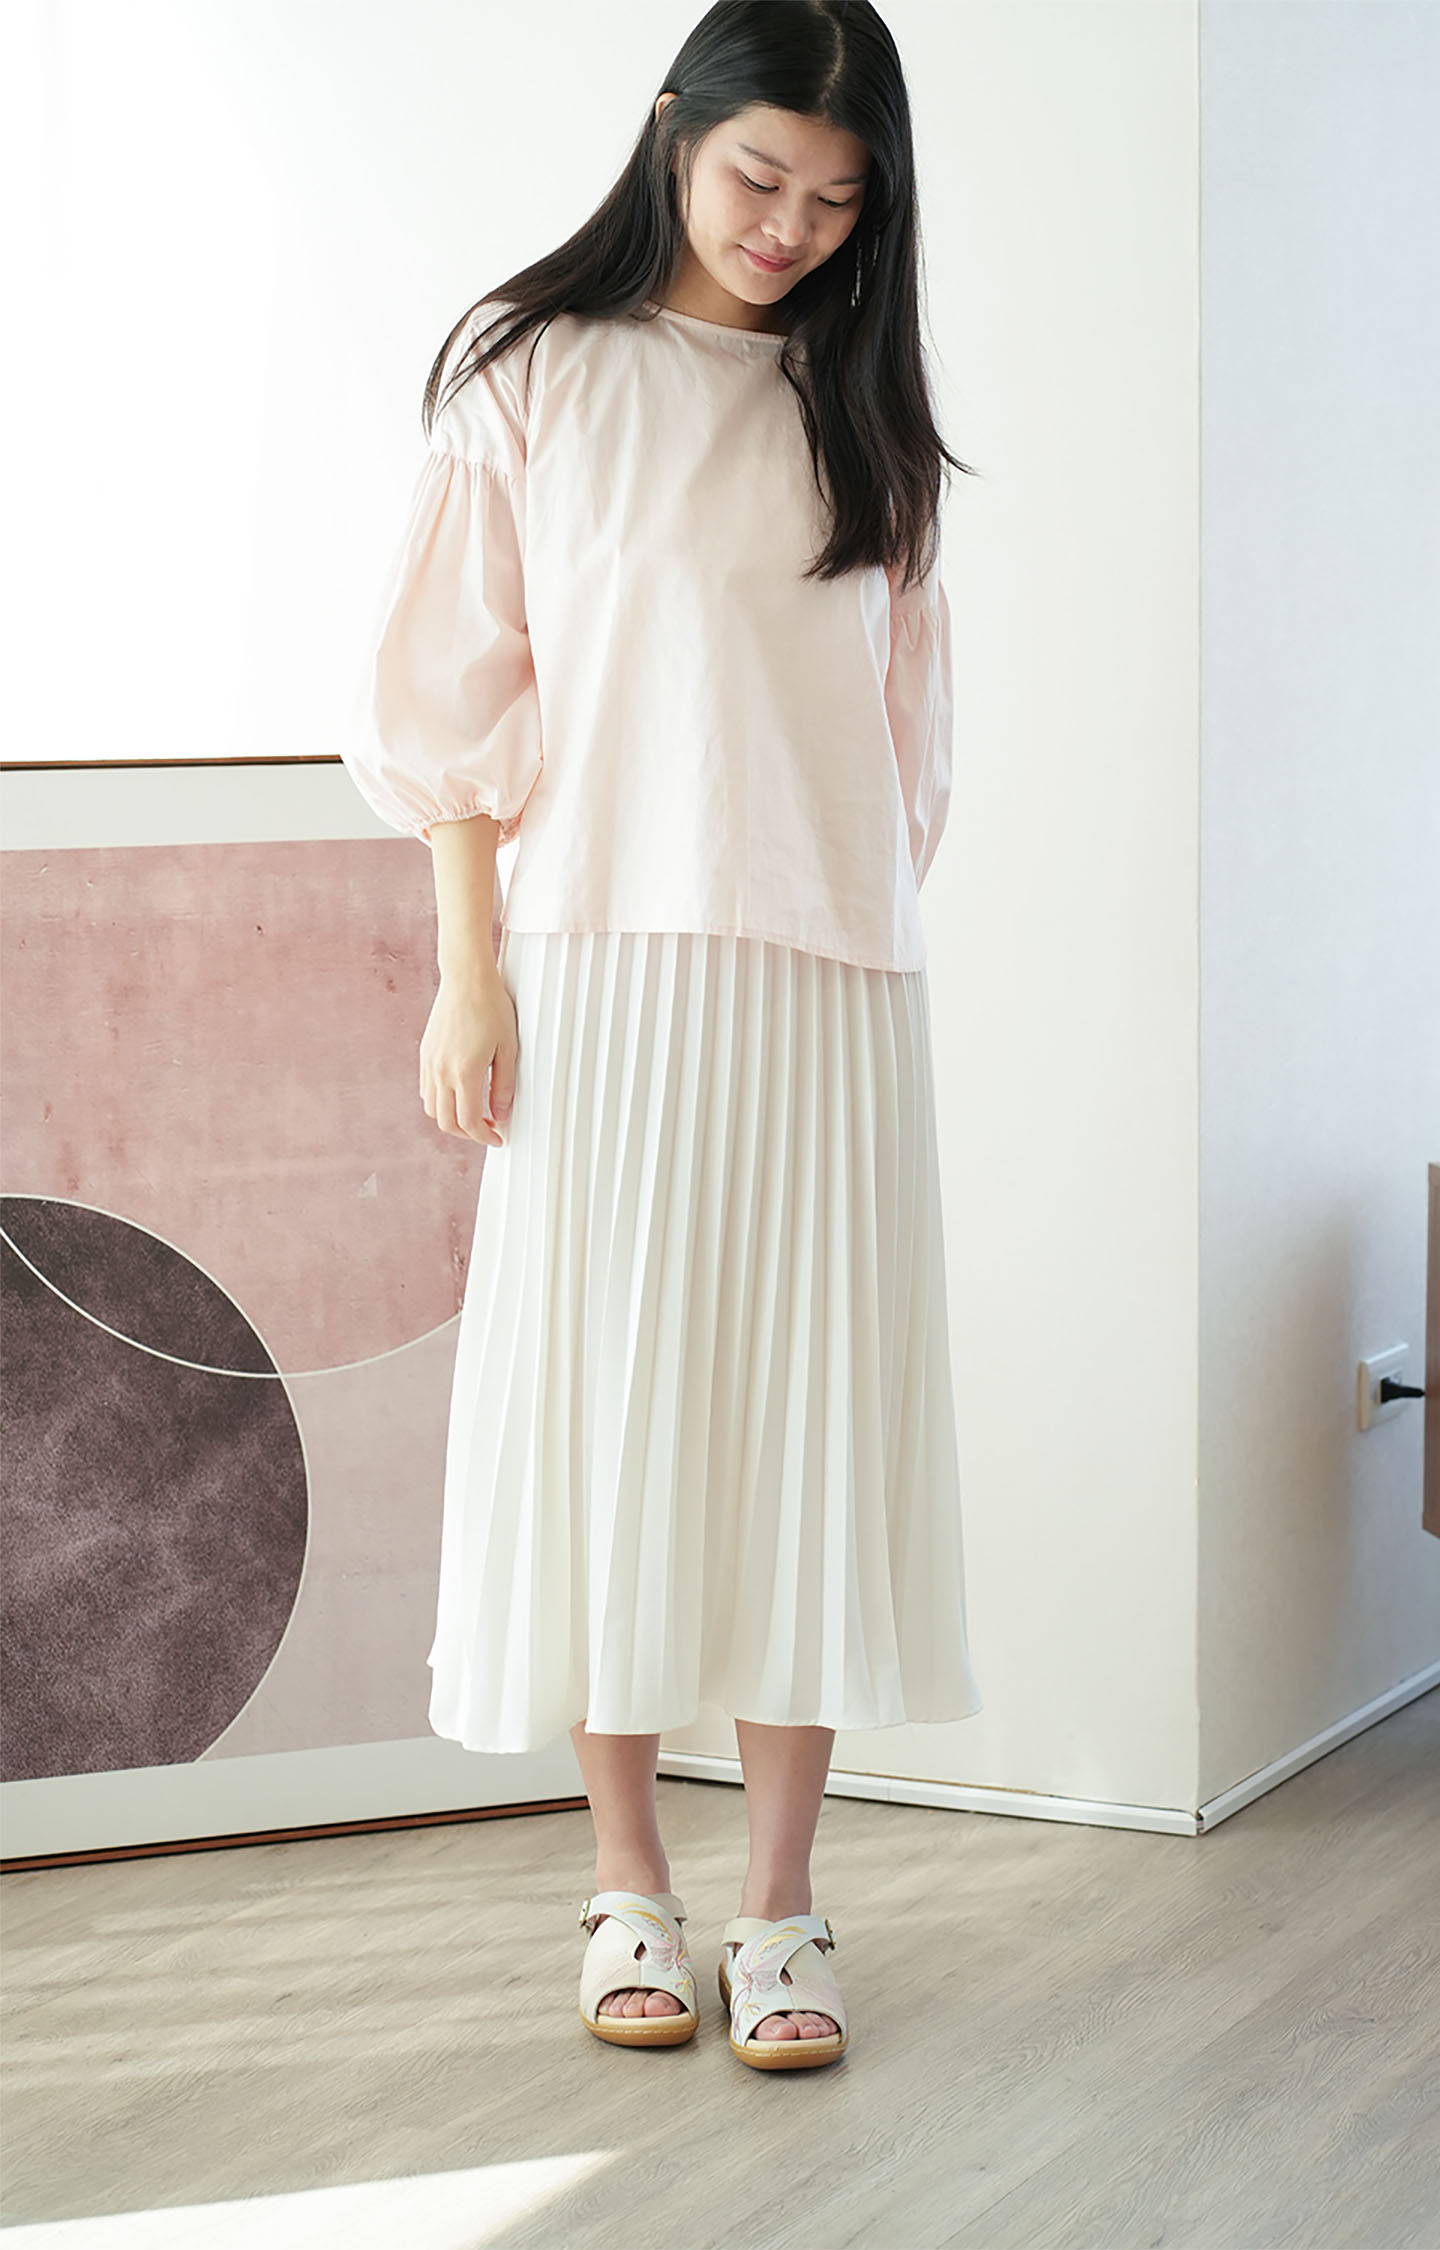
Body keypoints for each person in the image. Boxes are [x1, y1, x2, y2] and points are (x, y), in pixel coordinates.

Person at [341, 0, 982, 2072]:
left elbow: (908, 751)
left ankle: (783, 1902)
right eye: (758, 176)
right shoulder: (532, 372)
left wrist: (843, 918)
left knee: (810, 1424)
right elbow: (448, 706)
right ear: (672, 133)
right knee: (607, 1412)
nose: (790, 225)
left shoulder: (865, 417)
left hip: (828, 981)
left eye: (837, 199)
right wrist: (471, 970)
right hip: (601, 964)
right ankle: (629, 1879)